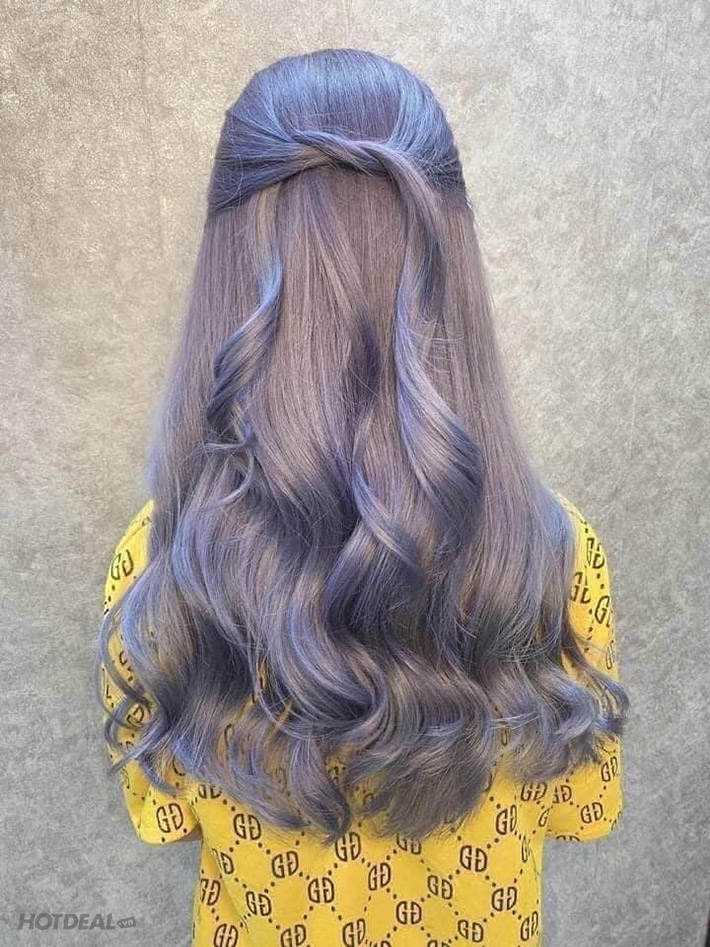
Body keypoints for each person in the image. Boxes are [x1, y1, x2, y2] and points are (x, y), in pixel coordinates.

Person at [96, 47, 630, 947]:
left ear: (227, 275)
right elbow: (584, 807)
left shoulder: (159, 559)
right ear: (451, 269)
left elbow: (163, 816)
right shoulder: (555, 551)